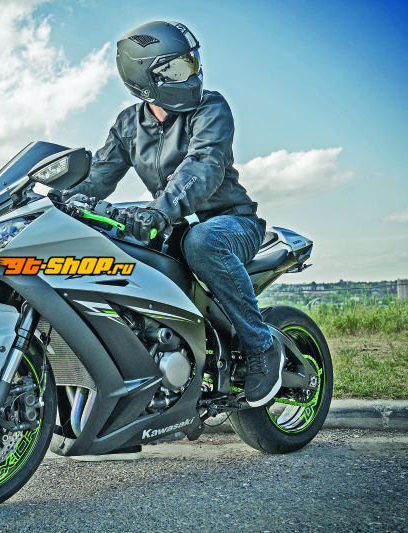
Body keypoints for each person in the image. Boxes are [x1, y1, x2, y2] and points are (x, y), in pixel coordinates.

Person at [57, 21, 284, 461]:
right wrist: (56, 201)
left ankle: (261, 345)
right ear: (143, 78)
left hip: (229, 223)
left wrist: (160, 211)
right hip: (171, 227)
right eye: (176, 68)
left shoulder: (210, 108)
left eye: (190, 64)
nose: (190, 74)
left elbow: (204, 165)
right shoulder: (129, 124)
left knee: (202, 241)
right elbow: (98, 177)